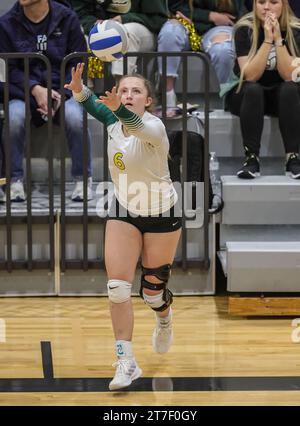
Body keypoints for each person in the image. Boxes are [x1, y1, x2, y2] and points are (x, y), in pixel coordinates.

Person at [65, 64, 182, 391]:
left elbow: (132, 123)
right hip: (124, 209)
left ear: (148, 101)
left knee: (152, 294)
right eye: (124, 90)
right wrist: (78, 89)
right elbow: (95, 107)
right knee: (117, 288)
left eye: (136, 91)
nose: (129, 95)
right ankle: (126, 362)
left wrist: (116, 109)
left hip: (161, 212)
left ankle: (164, 316)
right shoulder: (114, 121)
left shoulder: (155, 128)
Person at [0, 0, 93, 202]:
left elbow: (78, 62)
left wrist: (61, 94)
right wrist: (34, 89)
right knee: (14, 118)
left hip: (63, 91)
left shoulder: (67, 18)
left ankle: (83, 180)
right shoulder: (6, 23)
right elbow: (7, 70)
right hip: (22, 93)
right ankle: (14, 180)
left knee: (76, 117)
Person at [222, 0, 300, 179]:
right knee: (253, 89)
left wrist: (278, 40)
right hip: (246, 96)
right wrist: (267, 40)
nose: (266, 7)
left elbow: (289, 75)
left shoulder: (296, 30)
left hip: (281, 97)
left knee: (289, 88)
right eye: (261, 2)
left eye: (273, 2)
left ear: (284, 4)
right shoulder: (244, 29)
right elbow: (249, 75)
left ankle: (293, 158)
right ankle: (251, 159)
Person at [157, 0, 245, 107]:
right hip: (186, 22)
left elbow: (238, 14)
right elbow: (176, 8)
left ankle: (228, 101)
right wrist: (210, 16)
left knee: (223, 50)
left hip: (219, 26)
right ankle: (168, 96)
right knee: (169, 34)